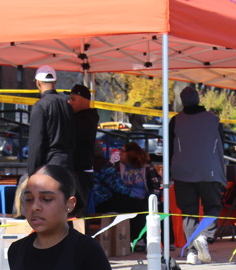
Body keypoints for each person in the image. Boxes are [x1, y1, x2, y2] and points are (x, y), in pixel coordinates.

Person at [170, 86, 224, 264]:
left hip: (182, 172)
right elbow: (222, 144)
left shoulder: (176, 121)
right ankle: (204, 236)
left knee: (188, 213)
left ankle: (192, 252)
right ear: (198, 99)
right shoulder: (213, 119)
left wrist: (169, 172)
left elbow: (169, 148)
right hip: (210, 171)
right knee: (213, 207)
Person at [102, 142, 161, 244]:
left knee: (161, 209)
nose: (119, 153)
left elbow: (155, 185)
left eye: (123, 151)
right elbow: (116, 186)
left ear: (132, 153)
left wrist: (153, 199)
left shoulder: (146, 167)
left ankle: (168, 242)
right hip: (126, 198)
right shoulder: (117, 167)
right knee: (137, 208)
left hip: (145, 198)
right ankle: (137, 240)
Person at [26, 65, 74, 176]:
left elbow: (36, 143)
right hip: (67, 165)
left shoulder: (40, 106)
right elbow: (73, 137)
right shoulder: (67, 105)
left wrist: (32, 173)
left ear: (38, 83)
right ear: (55, 81)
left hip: (49, 168)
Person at [68, 83, 98, 213]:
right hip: (75, 169)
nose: (70, 102)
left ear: (84, 100)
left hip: (81, 171)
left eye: (73, 99)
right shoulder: (79, 117)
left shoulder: (87, 118)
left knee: (78, 210)